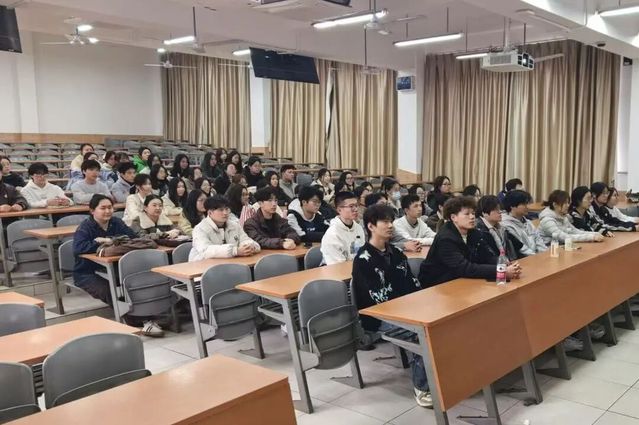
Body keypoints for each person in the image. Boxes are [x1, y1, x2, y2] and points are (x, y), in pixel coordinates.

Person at [351, 204, 430, 408]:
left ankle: (438, 374)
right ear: (371, 226)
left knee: (438, 322)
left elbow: (412, 283)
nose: (390, 226)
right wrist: (410, 311)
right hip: (378, 317)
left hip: (405, 310)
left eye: (391, 221)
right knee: (422, 332)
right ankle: (422, 387)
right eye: (385, 222)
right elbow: (378, 299)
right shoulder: (363, 259)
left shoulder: (395, 252)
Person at [418, 196, 521, 288]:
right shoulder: (446, 238)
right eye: (467, 214)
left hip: (460, 279)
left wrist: (503, 264)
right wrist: (500, 270)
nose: (472, 217)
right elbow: (464, 268)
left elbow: (487, 256)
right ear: (453, 217)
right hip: (437, 283)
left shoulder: (474, 232)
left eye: (473, 213)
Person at [72, 194, 137, 306]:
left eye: (110, 207)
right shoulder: (85, 227)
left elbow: (133, 237)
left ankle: (138, 311)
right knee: (107, 290)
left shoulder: (116, 222)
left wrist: (109, 240)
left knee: (135, 282)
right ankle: (130, 315)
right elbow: (78, 248)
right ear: (92, 211)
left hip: (114, 268)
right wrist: (98, 243)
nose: (107, 211)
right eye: (103, 208)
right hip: (87, 272)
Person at [189, 195, 261, 261]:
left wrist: (249, 247)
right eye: (221, 210)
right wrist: (235, 251)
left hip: (230, 263)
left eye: (227, 209)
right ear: (210, 213)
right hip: (202, 266)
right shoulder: (200, 229)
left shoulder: (234, 225)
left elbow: (246, 239)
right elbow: (206, 250)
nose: (225, 213)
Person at [538, 190, 604, 244]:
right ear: (555, 204)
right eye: (565, 203)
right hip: (548, 250)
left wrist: (595, 234)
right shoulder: (547, 220)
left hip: (561, 248)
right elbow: (564, 237)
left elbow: (575, 231)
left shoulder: (563, 217)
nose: (568, 205)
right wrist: (591, 237)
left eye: (568, 203)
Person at [320, 191, 365, 265]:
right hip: (335, 270)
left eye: (356, 205)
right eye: (351, 206)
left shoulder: (358, 228)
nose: (356, 209)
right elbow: (338, 266)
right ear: (339, 210)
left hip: (356, 268)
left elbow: (362, 254)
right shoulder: (333, 234)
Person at [500, 190, 547, 258]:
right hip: (523, 260)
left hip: (536, 257)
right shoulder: (506, 226)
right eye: (524, 204)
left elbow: (539, 241)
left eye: (527, 203)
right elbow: (522, 249)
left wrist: (545, 255)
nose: (527, 207)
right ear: (512, 206)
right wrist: (537, 257)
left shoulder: (528, 222)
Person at [475, 195, 518, 261]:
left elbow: (518, 245)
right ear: (484, 213)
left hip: (505, 262)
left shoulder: (501, 228)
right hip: (493, 265)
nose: (500, 212)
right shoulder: (479, 231)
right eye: (496, 209)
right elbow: (488, 257)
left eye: (500, 209)